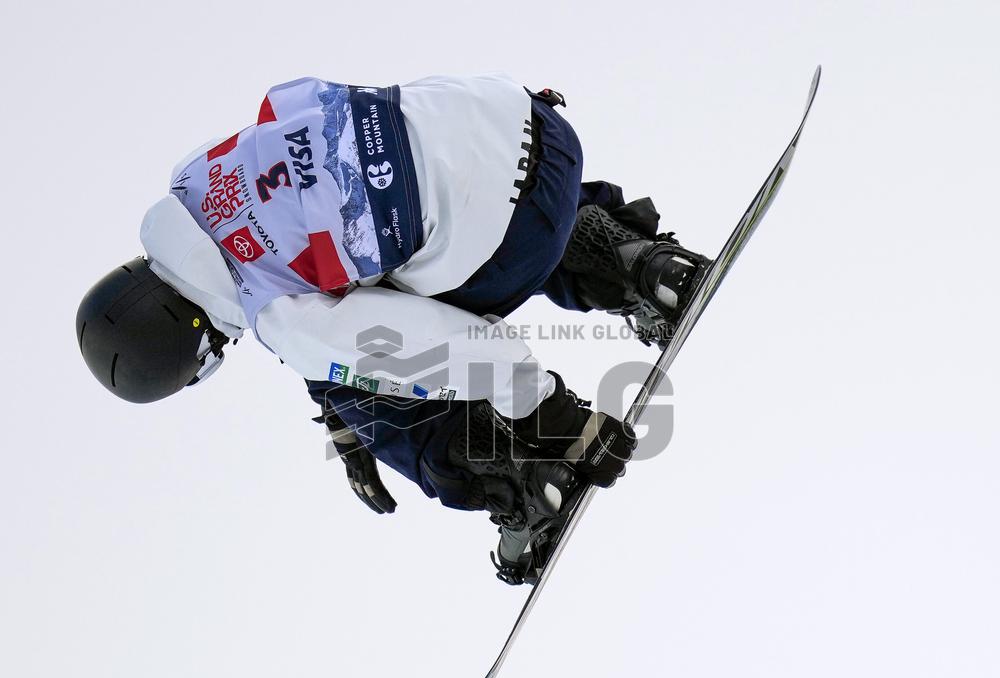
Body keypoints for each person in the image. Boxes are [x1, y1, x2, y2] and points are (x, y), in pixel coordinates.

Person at [76, 74, 710, 580]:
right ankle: (635, 263)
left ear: (196, 347)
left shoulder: (275, 315)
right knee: (419, 233)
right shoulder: (198, 178)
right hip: (528, 125)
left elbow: (457, 349)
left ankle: (520, 480)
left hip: (517, 233)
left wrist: (557, 424)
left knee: (368, 378)